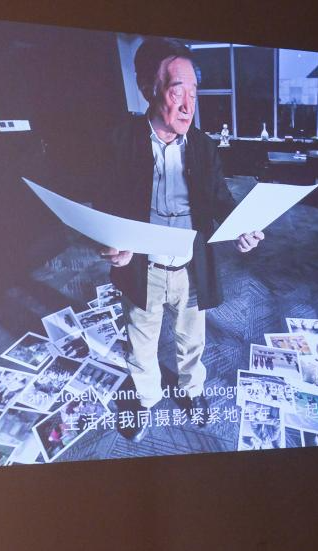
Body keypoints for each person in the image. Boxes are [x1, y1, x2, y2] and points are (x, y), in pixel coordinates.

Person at [98, 37, 265, 441]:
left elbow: (220, 199)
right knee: (141, 341)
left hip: (192, 266)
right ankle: (145, 398)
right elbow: (104, 206)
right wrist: (109, 244)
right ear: (148, 90)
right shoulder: (119, 142)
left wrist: (242, 228)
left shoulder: (204, 146)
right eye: (177, 92)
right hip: (143, 266)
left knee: (193, 340)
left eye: (194, 92)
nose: (189, 105)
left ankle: (191, 390)